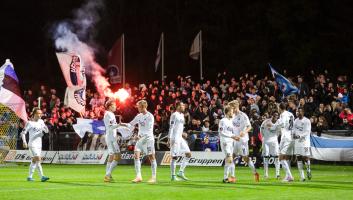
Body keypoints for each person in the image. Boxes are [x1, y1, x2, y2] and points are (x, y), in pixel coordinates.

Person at [122, 100, 157, 184]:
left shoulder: (150, 116)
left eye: (138, 106)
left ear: (143, 107)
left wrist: (140, 136)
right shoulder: (139, 116)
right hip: (140, 139)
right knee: (136, 155)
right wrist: (122, 125)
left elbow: (149, 130)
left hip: (148, 138)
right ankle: (138, 176)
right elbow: (132, 124)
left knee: (151, 157)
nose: (137, 108)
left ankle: (153, 177)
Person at [228, 100, 259, 182]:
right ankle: (233, 177)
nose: (230, 109)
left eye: (231, 108)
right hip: (235, 140)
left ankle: (255, 173)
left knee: (246, 158)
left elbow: (249, 126)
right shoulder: (232, 115)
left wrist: (244, 132)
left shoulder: (243, 115)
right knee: (232, 157)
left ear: (235, 107)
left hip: (243, 140)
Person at [21, 107, 50, 182]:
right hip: (32, 143)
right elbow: (23, 133)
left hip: (39, 144)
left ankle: (30, 177)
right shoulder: (29, 123)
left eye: (41, 113)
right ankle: (42, 176)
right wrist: (24, 141)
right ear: (34, 114)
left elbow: (46, 130)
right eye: (38, 113)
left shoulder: (41, 121)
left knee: (34, 160)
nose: (40, 115)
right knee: (38, 158)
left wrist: (46, 129)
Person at [168, 102, 191, 181]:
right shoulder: (174, 115)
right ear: (177, 106)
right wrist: (169, 138)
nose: (184, 107)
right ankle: (173, 176)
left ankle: (181, 172)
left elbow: (179, 127)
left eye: (184, 105)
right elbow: (171, 127)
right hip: (174, 138)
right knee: (174, 157)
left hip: (180, 138)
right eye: (182, 105)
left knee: (188, 154)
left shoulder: (182, 115)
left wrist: (182, 133)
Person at [103, 100, 123, 182]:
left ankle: (108, 176)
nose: (115, 106)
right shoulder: (109, 114)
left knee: (111, 156)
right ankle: (107, 175)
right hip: (111, 137)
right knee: (117, 156)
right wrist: (120, 125)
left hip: (110, 136)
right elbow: (111, 127)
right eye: (114, 105)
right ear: (110, 106)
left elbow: (112, 126)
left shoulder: (109, 114)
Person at [219, 106, 238, 183]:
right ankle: (228, 177)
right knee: (229, 159)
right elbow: (221, 132)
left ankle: (228, 177)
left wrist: (235, 136)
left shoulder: (232, 121)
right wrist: (232, 136)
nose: (232, 113)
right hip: (225, 142)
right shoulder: (223, 121)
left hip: (231, 142)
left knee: (230, 160)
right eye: (231, 111)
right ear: (227, 112)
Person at [277, 102, 295, 182]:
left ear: (280, 108)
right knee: (286, 157)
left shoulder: (282, 115)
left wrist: (275, 124)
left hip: (285, 136)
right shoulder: (291, 114)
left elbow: (282, 124)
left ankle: (290, 176)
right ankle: (287, 176)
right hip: (291, 136)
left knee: (280, 157)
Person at [293, 108, 312, 181]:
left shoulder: (307, 121)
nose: (298, 112)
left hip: (305, 142)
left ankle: (308, 169)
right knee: (298, 158)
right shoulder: (295, 121)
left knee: (306, 157)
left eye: (299, 111)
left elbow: (307, 131)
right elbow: (294, 130)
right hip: (297, 142)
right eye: (297, 111)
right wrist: (294, 134)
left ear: (303, 112)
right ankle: (302, 176)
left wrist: (299, 136)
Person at [260, 112, 281, 179]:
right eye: (274, 115)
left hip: (274, 141)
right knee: (266, 157)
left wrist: (274, 138)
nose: (276, 117)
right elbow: (261, 130)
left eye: (277, 116)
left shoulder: (279, 123)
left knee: (276, 157)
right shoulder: (266, 122)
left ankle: (277, 174)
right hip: (266, 141)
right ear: (272, 116)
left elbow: (279, 132)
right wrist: (263, 138)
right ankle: (266, 174)